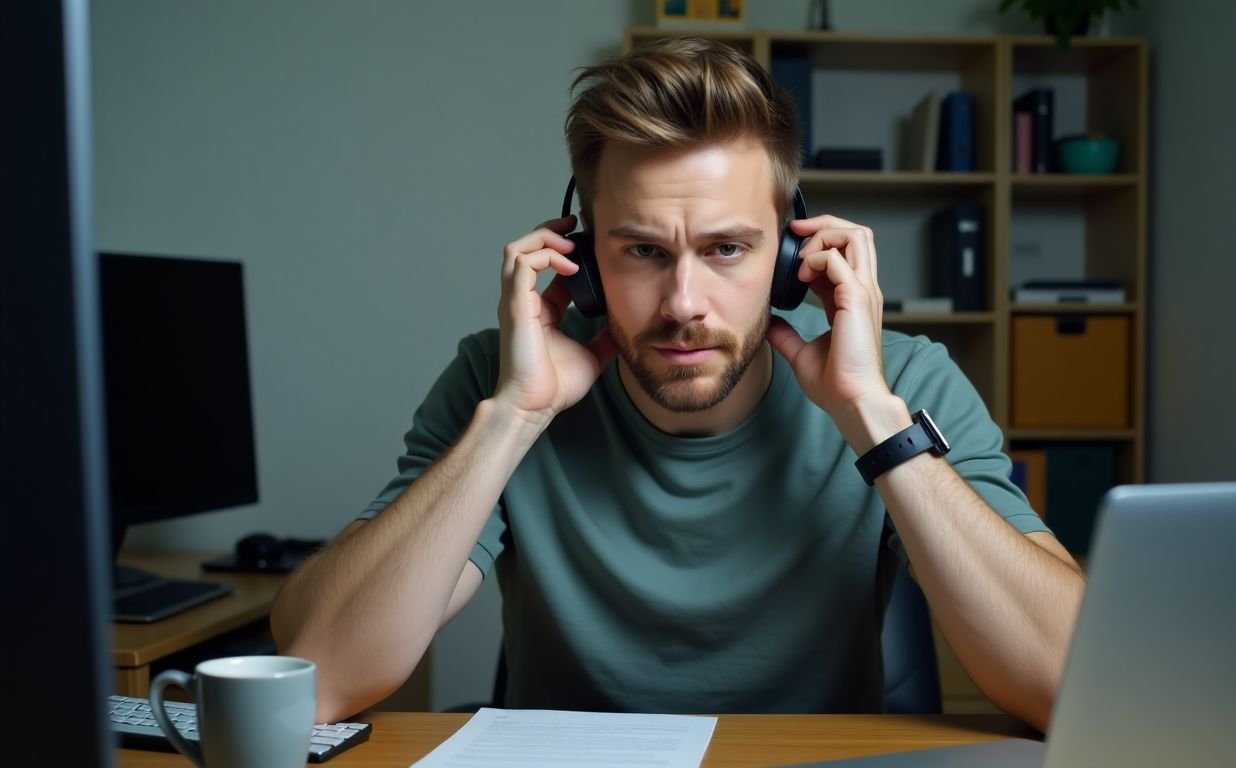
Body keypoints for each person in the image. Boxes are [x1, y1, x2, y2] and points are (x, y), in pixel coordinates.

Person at [271, 37, 1084, 731]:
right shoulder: (500, 377)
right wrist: (513, 419)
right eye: (642, 251)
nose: (684, 305)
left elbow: (1071, 688)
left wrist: (872, 420)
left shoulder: (900, 382)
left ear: (795, 260)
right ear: (582, 262)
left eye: (728, 249)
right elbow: (318, 678)